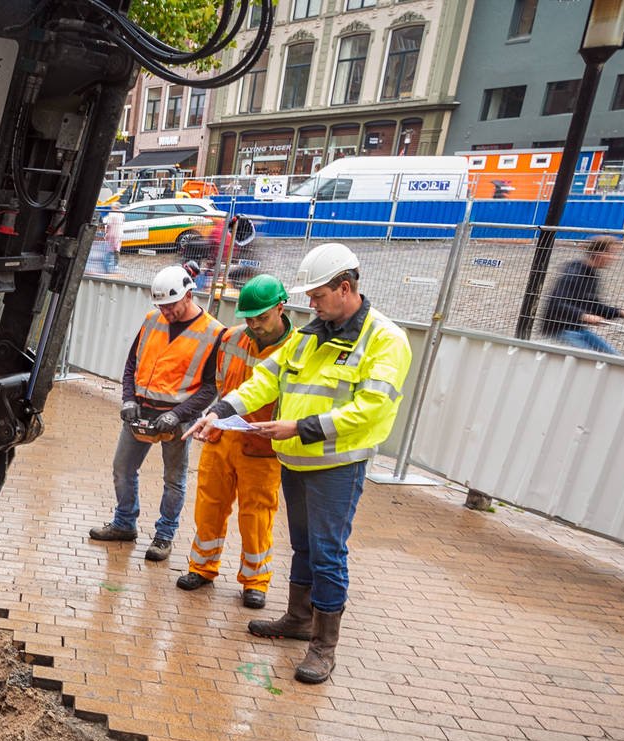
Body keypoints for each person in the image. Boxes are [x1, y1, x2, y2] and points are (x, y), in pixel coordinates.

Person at [187, 242, 413, 685]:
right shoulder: (313, 333)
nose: (309, 304)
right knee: (305, 548)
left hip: (335, 466)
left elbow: (371, 409)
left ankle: (323, 648)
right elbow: (267, 378)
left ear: (345, 288)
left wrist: (297, 428)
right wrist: (222, 410)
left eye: (318, 295)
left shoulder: (385, 340)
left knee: (329, 554)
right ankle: (298, 618)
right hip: (296, 462)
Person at [88, 265, 223, 562]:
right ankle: (124, 523)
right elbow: (130, 366)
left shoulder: (214, 333)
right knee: (123, 469)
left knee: (174, 479)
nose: (166, 312)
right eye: (161, 305)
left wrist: (178, 414)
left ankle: (165, 535)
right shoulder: (152, 320)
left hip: (176, 420)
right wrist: (127, 400)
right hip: (141, 412)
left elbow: (211, 387)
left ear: (188, 295)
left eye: (171, 305)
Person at [177, 274, 293, 609]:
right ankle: (202, 566)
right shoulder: (230, 338)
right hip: (223, 436)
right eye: (250, 318)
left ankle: (255, 581)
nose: (255, 325)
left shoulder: (296, 349)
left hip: (261, 445)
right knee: (210, 504)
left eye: (262, 318)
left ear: (280, 308)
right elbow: (217, 383)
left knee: (257, 514)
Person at [539, 235, 624, 355]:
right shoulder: (574, 273)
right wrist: (584, 316)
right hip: (558, 329)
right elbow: (556, 303)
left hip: (577, 327)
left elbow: (594, 305)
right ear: (599, 253)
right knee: (588, 359)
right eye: (611, 253)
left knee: (614, 356)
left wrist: (622, 313)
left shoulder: (592, 275)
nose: (614, 258)